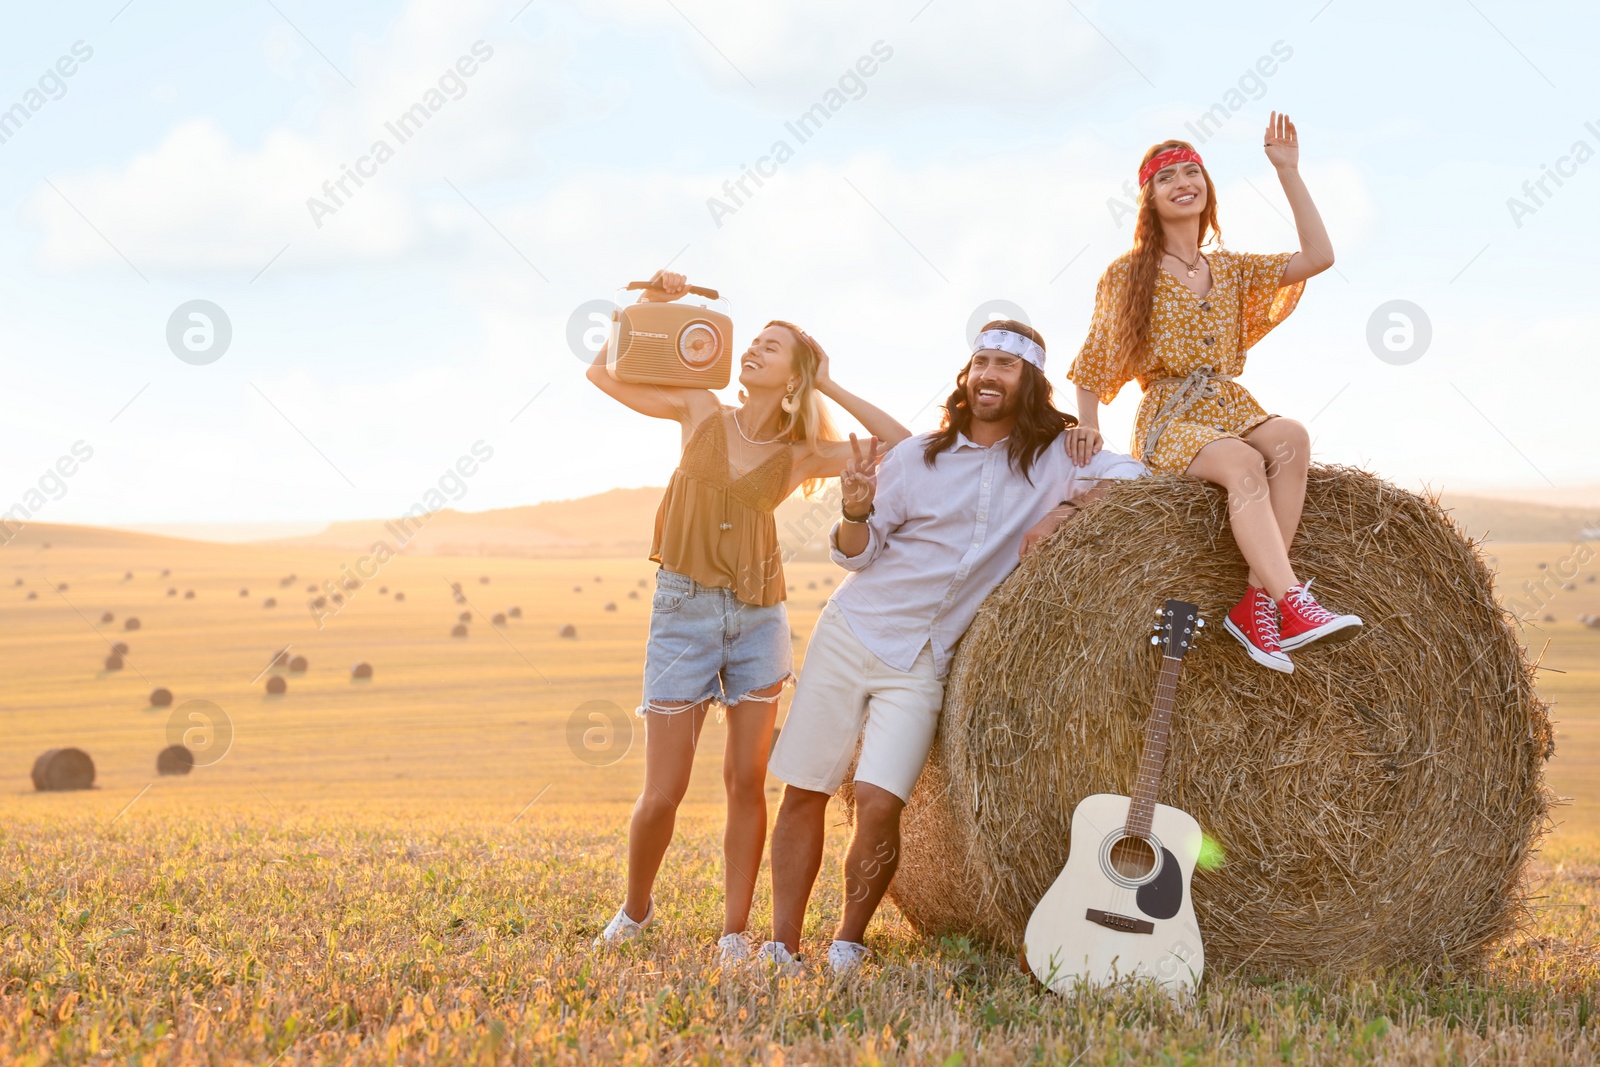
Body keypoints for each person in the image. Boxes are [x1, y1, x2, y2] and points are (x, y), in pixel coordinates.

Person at [760, 319, 1146, 973]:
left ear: (1029, 382)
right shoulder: (915, 458)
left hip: (925, 659)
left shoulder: (1057, 458)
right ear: (966, 378)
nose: (989, 374)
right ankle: (781, 944)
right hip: (854, 632)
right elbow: (855, 553)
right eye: (981, 362)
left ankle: (847, 944)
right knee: (808, 788)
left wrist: (1066, 509)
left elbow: (1138, 475)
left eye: (1006, 364)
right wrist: (855, 509)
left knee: (881, 804)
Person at [586, 270, 912, 961]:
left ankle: (736, 931)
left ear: (794, 375)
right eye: (755, 342)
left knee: (745, 781)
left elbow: (902, 441)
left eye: (773, 347)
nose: (755, 350)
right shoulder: (699, 409)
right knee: (663, 791)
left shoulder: (799, 455)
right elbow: (602, 371)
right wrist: (654, 307)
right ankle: (635, 909)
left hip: (758, 616)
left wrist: (826, 383)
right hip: (684, 613)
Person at [1068, 114, 1362, 675]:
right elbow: (1093, 359)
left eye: (1192, 172)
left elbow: (1320, 257)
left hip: (1230, 405)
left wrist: (1288, 172)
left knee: (1291, 439)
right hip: (1170, 414)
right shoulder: (1128, 275)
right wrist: (1089, 422)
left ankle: (1256, 606)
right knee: (1245, 461)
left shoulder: (1229, 270)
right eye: (1166, 177)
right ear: (1149, 199)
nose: (1183, 182)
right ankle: (1292, 600)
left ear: (1207, 187)